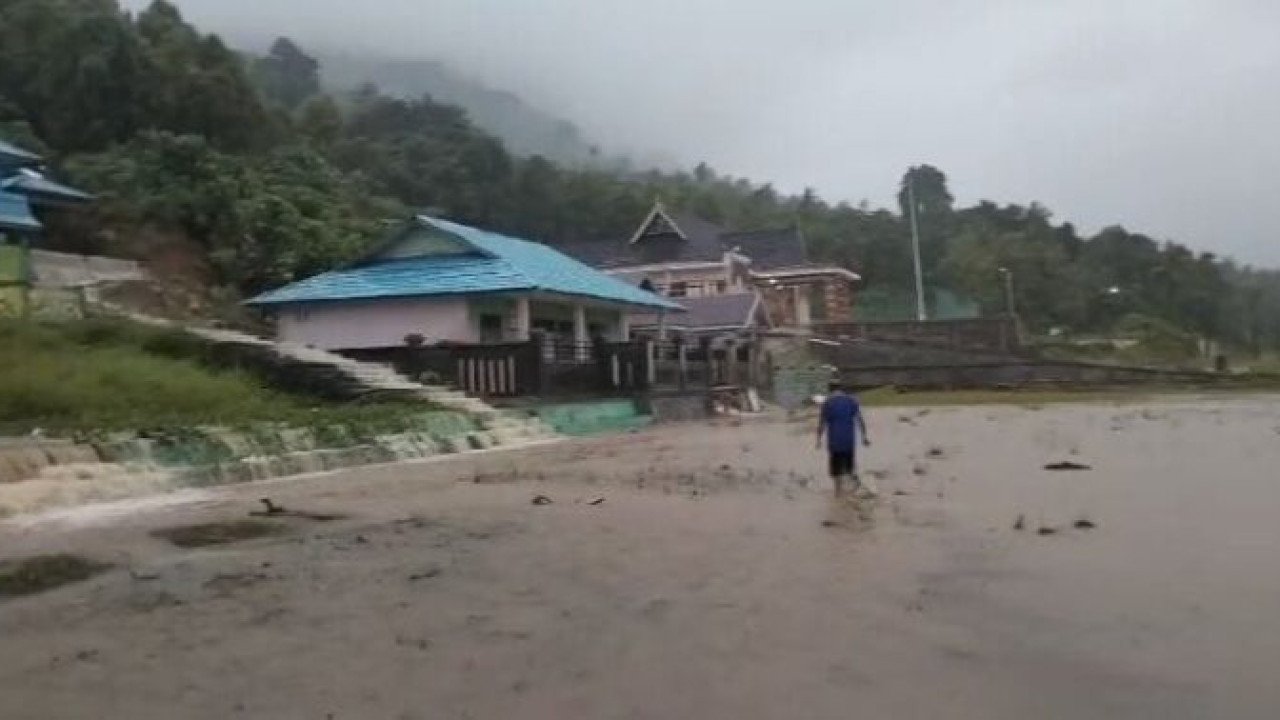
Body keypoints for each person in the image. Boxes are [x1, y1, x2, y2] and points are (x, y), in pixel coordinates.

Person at [816, 382, 871, 497]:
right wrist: (864, 437)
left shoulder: (827, 403)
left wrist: (818, 440)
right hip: (848, 441)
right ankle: (851, 494)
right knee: (849, 468)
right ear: (842, 389)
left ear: (830, 390)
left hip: (834, 442)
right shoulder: (852, 401)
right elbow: (860, 420)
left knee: (836, 470)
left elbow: (822, 423)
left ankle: (838, 493)